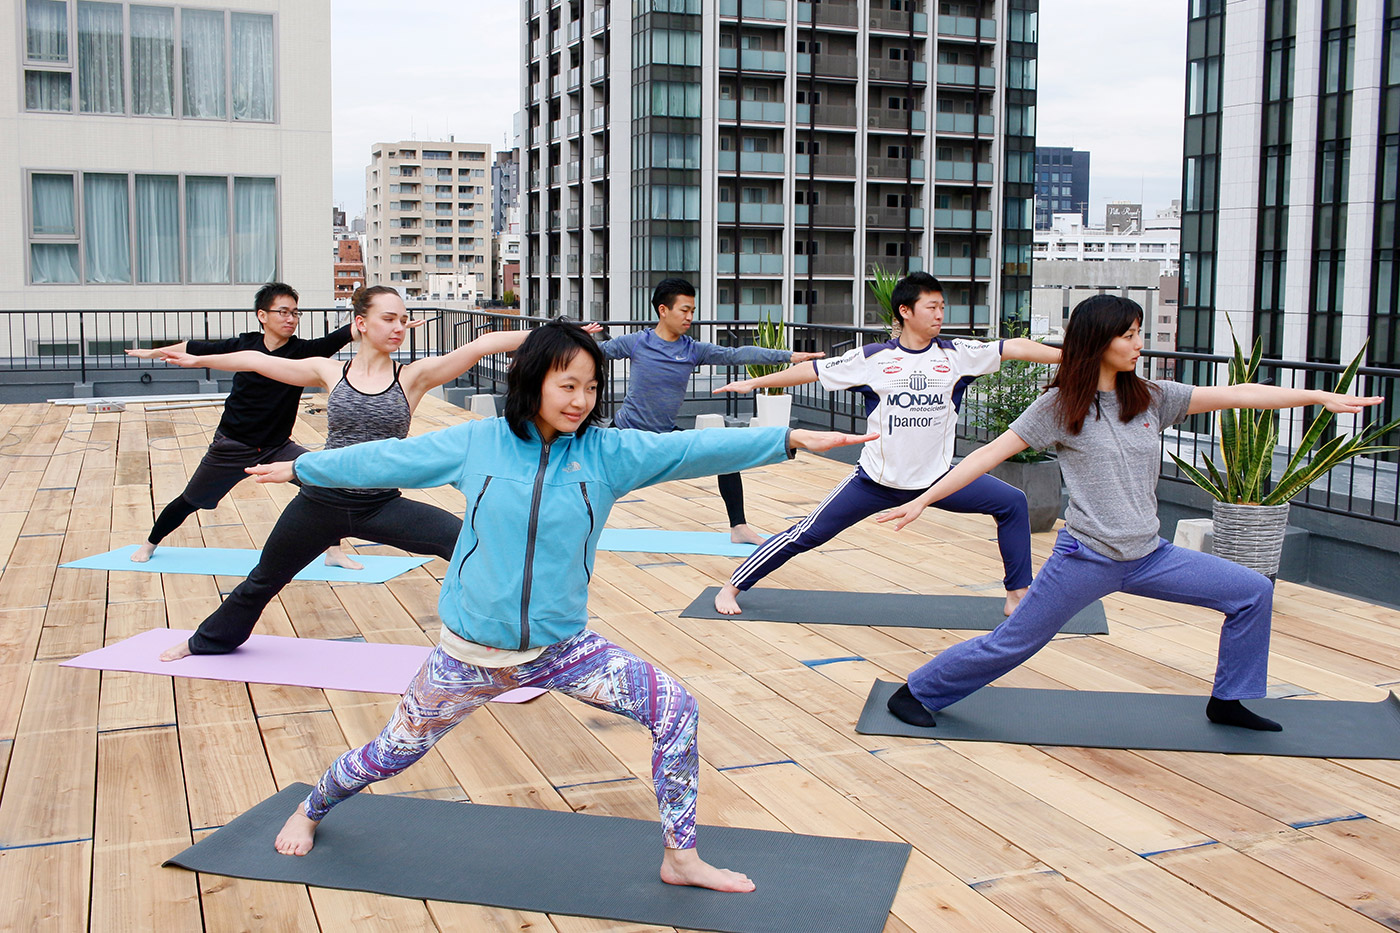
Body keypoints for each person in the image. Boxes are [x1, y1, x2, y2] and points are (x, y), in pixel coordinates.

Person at [248, 318, 874, 891]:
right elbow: (389, 457)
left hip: (561, 648)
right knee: (389, 754)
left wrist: (787, 438)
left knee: (675, 709)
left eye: (592, 387)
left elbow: (688, 452)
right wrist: (308, 470)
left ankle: (680, 857)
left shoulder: (607, 454)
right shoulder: (480, 444)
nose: (581, 400)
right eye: (567, 385)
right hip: (468, 655)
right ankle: (311, 807)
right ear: (533, 382)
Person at [877, 294, 1387, 732]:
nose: (1139, 343)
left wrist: (1320, 395)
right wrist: (923, 499)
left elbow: (1241, 394)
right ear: (1099, 341)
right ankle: (916, 692)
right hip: (1087, 557)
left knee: (1252, 593)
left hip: (1150, 554)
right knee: (1014, 643)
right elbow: (989, 455)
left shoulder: (1151, 398)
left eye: (1140, 332)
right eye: (1130, 334)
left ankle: (1229, 700)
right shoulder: (1059, 406)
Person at [154, 285, 551, 662]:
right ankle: (204, 642)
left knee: (469, 543)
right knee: (263, 580)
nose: (399, 328)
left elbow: (483, 344)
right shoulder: (329, 371)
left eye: (403, 320)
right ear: (361, 323)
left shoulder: (412, 377)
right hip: (320, 502)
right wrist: (197, 359)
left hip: (380, 504)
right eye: (389, 319)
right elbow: (256, 360)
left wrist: (555, 333)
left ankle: (514, 638)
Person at [709, 272, 1062, 616]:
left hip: (938, 481)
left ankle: (1016, 594)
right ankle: (734, 585)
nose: (940, 314)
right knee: (805, 534)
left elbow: (1013, 347)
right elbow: (813, 372)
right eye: (931, 307)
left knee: (1012, 502)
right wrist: (754, 384)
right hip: (874, 482)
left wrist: (1070, 356)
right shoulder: (872, 358)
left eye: (942, 307)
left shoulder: (957, 355)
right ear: (905, 312)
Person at [125, 282, 373, 568]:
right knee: (190, 500)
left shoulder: (304, 351)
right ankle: (150, 543)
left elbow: (346, 333)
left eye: (295, 313)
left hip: (277, 448)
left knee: (323, 484)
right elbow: (194, 347)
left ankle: (333, 552)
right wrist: (154, 353)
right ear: (262, 315)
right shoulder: (244, 345)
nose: (290, 318)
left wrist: (388, 320)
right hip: (231, 446)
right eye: (283, 312)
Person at [600, 277, 825, 544]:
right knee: (589, 477)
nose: (689, 317)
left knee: (725, 454)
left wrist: (788, 356)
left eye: (692, 311)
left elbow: (736, 354)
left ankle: (739, 527)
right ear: (663, 310)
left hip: (665, 436)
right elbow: (595, 351)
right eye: (684, 310)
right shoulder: (636, 342)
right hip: (625, 433)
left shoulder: (692, 350)